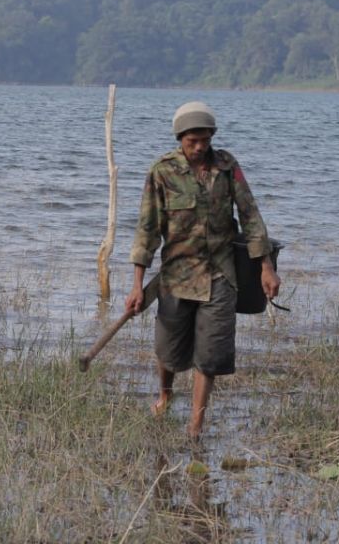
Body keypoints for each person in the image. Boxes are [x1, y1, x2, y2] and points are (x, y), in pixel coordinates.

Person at [125, 101, 279, 439]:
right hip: (176, 275)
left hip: (220, 274)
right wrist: (137, 284)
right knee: (168, 349)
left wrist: (266, 267)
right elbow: (147, 229)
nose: (199, 147)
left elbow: (251, 217)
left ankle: (196, 425)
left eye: (205, 141)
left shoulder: (227, 168)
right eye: (192, 141)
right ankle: (165, 395)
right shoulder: (162, 172)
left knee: (209, 354)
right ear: (180, 138)